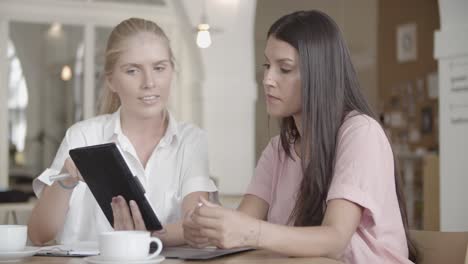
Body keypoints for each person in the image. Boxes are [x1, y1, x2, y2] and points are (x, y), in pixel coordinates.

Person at [183, 10, 417, 263]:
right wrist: (210, 229)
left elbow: (335, 240)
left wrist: (249, 232)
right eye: (267, 66)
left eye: (284, 68)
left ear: (319, 74)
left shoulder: (361, 133)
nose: (268, 80)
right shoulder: (277, 150)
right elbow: (242, 224)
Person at [28, 17, 217, 246]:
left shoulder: (191, 140)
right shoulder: (82, 137)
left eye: (159, 68)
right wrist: (65, 181)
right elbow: (38, 235)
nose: (149, 82)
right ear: (111, 81)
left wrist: (141, 237)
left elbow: (195, 225)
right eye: (132, 71)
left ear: (171, 71)